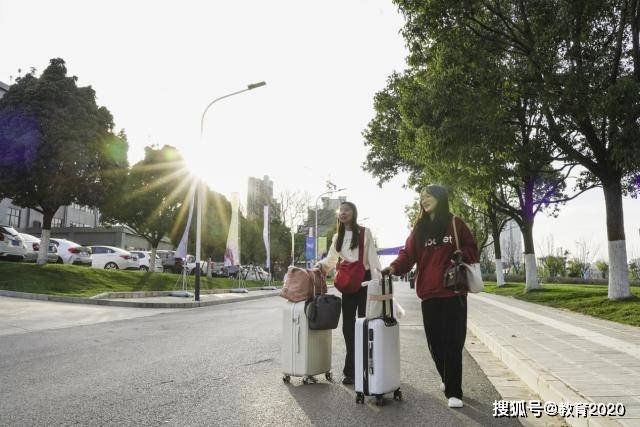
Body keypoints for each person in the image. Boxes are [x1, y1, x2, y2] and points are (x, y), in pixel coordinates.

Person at [382, 185, 478, 408]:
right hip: (429, 292)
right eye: (421, 197)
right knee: (435, 343)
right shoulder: (420, 228)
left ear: (440, 198)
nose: (424, 200)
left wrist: (462, 253)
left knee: (453, 342)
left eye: (428, 196)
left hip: (454, 291)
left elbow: (472, 248)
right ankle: (446, 377)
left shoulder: (456, 223)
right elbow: (408, 254)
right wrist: (394, 268)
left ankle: (454, 391)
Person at [316, 201, 382, 385]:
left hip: (365, 281)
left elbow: (372, 259)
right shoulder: (338, 236)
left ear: (354, 212)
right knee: (348, 326)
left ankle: (368, 368)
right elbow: (330, 259)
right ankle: (351, 370)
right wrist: (320, 267)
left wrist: (379, 280)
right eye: (341, 210)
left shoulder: (364, 232)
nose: (343, 213)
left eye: (347, 210)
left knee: (365, 323)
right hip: (347, 283)